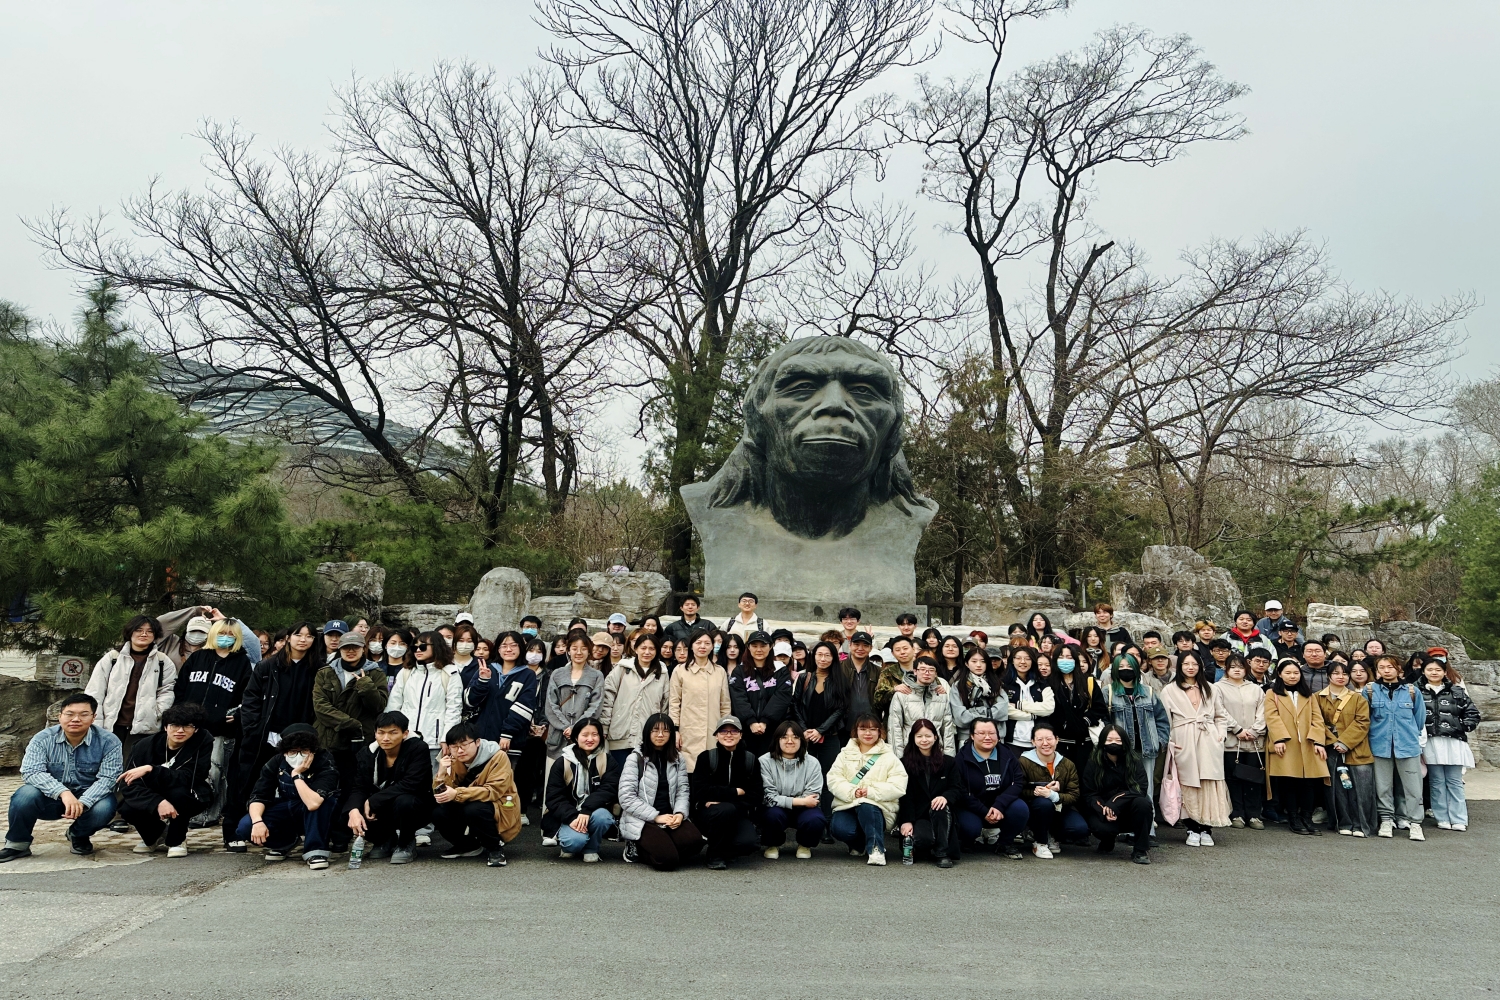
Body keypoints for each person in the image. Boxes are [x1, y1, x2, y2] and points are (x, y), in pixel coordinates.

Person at [230, 621, 321, 850]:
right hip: (265, 736)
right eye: (298, 635)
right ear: (288, 638)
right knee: (251, 782)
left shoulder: (319, 668)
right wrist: (253, 728)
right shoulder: (268, 666)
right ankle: (239, 831)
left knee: (300, 784)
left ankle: (296, 833)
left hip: (301, 739)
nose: (303, 639)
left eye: (309, 636)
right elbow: (250, 699)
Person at [1, 692, 123, 861]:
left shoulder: (109, 741)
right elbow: (31, 771)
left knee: (105, 806)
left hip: (87, 799)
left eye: (83, 714)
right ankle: (17, 844)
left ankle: (78, 835)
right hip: (50, 799)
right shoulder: (42, 739)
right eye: (69, 714)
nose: (76, 719)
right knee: (25, 795)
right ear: (60, 716)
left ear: (93, 717)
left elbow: (108, 778)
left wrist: (83, 802)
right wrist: (63, 793)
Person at [173, 617, 254, 837]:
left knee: (215, 770)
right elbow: (180, 688)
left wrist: (237, 715)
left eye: (230, 635)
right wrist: (178, 715)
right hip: (189, 726)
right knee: (186, 769)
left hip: (220, 730)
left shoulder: (241, 663)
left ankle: (208, 814)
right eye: (221, 633)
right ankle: (186, 809)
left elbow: (248, 695)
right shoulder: (198, 657)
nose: (225, 638)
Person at [313, 630, 390, 851]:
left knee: (351, 789)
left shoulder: (375, 673)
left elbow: (379, 706)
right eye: (346, 647)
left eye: (355, 647)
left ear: (362, 649)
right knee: (326, 788)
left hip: (359, 743)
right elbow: (320, 707)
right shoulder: (325, 673)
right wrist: (351, 723)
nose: (350, 651)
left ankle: (342, 835)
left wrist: (366, 686)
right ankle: (323, 834)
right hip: (328, 740)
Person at [236, 722, 339, 869]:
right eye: (293, 751)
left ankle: (315, 850)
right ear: (285, 752)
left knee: (324, 803)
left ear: (313, 750)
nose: (298, 756)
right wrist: (257, 822)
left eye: (303, 750)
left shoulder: (324, 761)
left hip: (317, 811)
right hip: (289, 807)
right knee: (246, 825)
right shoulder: (276, 762)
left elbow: (313, 803)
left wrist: (296, 775)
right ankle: (284, 843)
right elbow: (259, 795)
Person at [117, 702, 214, 857]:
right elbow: (128, 784)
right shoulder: (143, 747)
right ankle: (156, 835)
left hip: (189, 792)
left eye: (187, 726)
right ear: (165, 727)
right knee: (127, 808)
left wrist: (152, 769)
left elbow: (191, 777)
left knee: (179, 795)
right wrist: (157, 802)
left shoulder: (201, 742)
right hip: (153, 791)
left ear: (195, 729)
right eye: (174, 725)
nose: (180, 731)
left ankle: (177, 839)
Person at [86, 615, 178, 775]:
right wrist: (96, 720)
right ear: (130, 632)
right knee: (104, 765)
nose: (144, 634)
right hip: (112, 723)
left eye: (149, 631)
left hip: (144, 726)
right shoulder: (113, 658)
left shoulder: (163, 661)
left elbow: (167, 690)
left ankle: (126, 792)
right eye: (139, 630)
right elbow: (95, 691)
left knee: (134, 768)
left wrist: (156, 712)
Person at [1159, 652, 1233, 846]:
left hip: (1208, 739)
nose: (1190, 667)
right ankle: (1191, 827)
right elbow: (1164, 719)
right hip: (1183, 739)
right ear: (1179, 667)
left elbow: (1221, 716)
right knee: (1187, 783)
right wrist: (1170, 741)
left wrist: (1220, 736)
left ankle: (1206, 828)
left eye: (1194, 664)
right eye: (1186, 664)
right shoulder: (1169, 690)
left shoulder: (1211, 689)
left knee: (1209, 782)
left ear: (1200, 666)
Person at [346, 711, 435, 865]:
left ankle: (406, 843)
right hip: (383, 805)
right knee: (349, 810)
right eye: (381, 732)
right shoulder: (367, 753)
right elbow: (359, 787)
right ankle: (384, 840)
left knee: (404, 801)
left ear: (405, 733)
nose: (386, 738)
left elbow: (412, 783)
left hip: (417, 804)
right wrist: (353, 810)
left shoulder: (418, 748)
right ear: (375, 733)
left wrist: (374, 800)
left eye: (393, 733)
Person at [618, 713, 703, 869]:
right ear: (647, 733)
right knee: (666, 860)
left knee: (695, 843)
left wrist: (680, 814)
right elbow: (626, 797)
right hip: (643, 818)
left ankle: (664, 844)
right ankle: (635, 846)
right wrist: (656, 817)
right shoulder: (635, 758)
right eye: (655, 730)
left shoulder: (678, 758)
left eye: (666, 731)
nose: (660, 735)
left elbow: (683, 791)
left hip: (670, 816)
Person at [432, 722, 522, 867]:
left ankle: (495, 849)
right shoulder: (452, 760)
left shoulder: (498, 756)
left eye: (464, 745)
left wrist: (457, 793)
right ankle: (467, 845)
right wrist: (441, 773)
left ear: (477, 742)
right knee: (438, 811)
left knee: (474, 809)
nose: (459, 750)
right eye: (454, 747)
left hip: (500, 805)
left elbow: (493, 791)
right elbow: (443, 793)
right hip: (468, 799)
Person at [827, 714, 907, 865]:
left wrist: (870, 792)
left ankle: (876, 849)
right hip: (847, 804)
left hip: (878, 808)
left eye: (872, 729)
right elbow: (833, 779)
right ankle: (859, 845)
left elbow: (898, 785)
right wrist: (852, 792)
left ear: (879, 731)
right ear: (856, 731)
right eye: (863, 729)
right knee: (840, 829)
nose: (868, 733)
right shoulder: (844, 754)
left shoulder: (889, 757)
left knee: (867, 806)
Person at [1264, 659, 1330, 836]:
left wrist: (1318, 741)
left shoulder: (1308, 695)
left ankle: (1306, 817)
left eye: (1296, 673)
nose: (1292, 676)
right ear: (1279, 674)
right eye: (1288, 673)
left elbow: (1317, 719)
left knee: (1309, 782)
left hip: (1308, 743)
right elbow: (1272, 717)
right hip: (1287, 744)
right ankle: (1293, 817)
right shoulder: (1272, 693)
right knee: (1289, 782)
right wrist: (1279, 738)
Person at [1365, 654, 1426, 840]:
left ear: (1399, 669)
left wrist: (1409, 734)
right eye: (1382, 667)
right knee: (1383, 786)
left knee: (1413, 787)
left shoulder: (1412, 691)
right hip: (1379, 745)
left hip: (1407, 745)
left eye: (1390, 667)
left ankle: (1415, 822)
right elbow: (1365, 718)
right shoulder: (1370, 691)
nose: (1386, 670)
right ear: (1377, 671)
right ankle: (1386, 819)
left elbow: (1419, 719)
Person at [689, 716, 763, 870]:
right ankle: (714, 854)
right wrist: (735, 792)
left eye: (734, 731)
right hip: (708, 814)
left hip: (738, 813)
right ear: (716, 735)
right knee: (724, 810)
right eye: (723, 731)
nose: (728, 735)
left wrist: (725, 800)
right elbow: (699, 791)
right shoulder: (706, 758)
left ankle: (726, 849)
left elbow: (756, 795)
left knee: (749, 843)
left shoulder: (750, 760)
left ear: (741, 735)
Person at [542, 718, 619, 863]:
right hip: (568, 816)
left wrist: (586, 810)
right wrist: (572, 818)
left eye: (595, 734)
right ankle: (571, 842)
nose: (590, 739)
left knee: (603, 817)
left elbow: (609, 790)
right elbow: (554, 797)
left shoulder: (607, 761)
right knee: (574, 842)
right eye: (585, 735)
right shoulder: (562, 762)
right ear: (576, 737)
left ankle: (591, 848)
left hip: (594, 812)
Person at [1316, 661, 1377, 837]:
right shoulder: (1317, 698)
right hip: (1331, 749)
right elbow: (1316, 722)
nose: (1341, 677)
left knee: (1361, 788)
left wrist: (1344, 742)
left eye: (1344, 673)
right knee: (1337, 789)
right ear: (1328, 676)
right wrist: (1332, 741)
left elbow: (1362, 722)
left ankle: (1361, 824)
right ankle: (1343, 822)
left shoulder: (1358, 698)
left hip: (1357, 749)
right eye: (1336, 673)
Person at [387, 631, 463, 769]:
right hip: (405, 739)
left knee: (434, 779)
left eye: (422, 646)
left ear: (436, 647)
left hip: (434, 742)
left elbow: (454, 709)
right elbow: (393, 705)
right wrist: (391, 733)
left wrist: (447, 738)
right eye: (414, 647)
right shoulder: (406, 672)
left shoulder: (450, 673)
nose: (417, 650)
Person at [1419, 658, 1479, 832]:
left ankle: (1459, 818)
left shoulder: (1457, 691)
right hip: (1430, 742)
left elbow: (1472, 713)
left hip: (1453, 742)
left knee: (1454, 781)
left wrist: (1463, 726)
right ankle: (1442, 817)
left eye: (1438, 669)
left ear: (1445, 672)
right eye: (1430, 669)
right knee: (1436, 781)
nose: (1434, 672)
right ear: (1423, 672)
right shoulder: (1417, 692)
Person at [954, 717, 1028, 858]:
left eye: (992, 733)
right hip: (972, 808)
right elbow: (961, 791)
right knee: (970, 827)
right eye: (981, 733)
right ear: (972, 736)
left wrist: (999, 805)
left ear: (998, 735)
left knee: (1020, 809)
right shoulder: (961, 759)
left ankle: (1005, 843)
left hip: (1000, 807)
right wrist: (984, 811)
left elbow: (1018, 782)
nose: (987, 737)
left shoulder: (1008, 755)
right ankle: (967, 841)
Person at [896, 718, 964, 867]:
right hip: (919, 815)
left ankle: (942, 853)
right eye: (919, 736)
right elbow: (905, 795)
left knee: (940, 806)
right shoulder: (904, 763)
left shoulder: (949, 762)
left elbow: (957, 788)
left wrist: (945, 797)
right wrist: (907, 820)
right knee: (923, 839)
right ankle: (924, 845)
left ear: (935, 737)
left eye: (928, 735)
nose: (924, 740)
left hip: (942, 815)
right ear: (913, 738)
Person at [1081, 724, 1154, 864]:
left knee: (1143, 803)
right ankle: (1107, 839)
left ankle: (1140, 850)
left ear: (1125, 742)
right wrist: (1104, 809)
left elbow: (1140, 788)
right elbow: (1089, 793)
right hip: (1103, 808)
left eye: (1118, 740)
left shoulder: (1134, 760)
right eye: (1109, 740)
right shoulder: (1094, 762)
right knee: (1100, 827)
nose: (1113, 743)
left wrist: (1115, 803)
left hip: (1128, 808)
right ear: (1102, 742)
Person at [1106, 654, 1172, 807]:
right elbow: (1104, 721)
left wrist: (1159, 742)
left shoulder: (1148, 692)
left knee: (1146, 788)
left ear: (1136, 669)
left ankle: (1148, 820)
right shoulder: (1108, 692)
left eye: (1129, 666)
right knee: (1122, 788)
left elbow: (1162, 720)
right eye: (1121, 667)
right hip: (1120, 750)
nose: (1125, 670)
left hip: (1147, 749)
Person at [600, 631, 671, 766]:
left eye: (651, 649)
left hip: (648, 737)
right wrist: (604, 727)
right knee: (620, 774)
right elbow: (607, 698)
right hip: (620, 733)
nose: (647, 652)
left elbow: (665, 705)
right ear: (636, 648)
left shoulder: (662, 673)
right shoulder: (622, 668)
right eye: (643, 648)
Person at [758, 721, 827, 859]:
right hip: (776, 807)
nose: (790, 741)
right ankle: (773, 844)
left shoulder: (812, 762)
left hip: (804, 809)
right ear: (777, 740)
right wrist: (800, 801)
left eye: (795, 737)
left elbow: (813, 796)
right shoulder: (764, 761)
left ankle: (805, 844)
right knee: (771, 816)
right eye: (784, 737)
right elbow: (768, 796)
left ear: (802, 740)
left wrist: (801, 803)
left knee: (815, 819)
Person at [1019, 721, 1089, 856]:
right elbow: (1019, 790)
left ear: (1057, 740)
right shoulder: (1024, 761)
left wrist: (1053, 795)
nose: (1045, 743)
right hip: (1035, 808)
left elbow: (1074, 795)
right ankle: (1040, 842)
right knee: (1043, 804)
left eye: (1049, 739)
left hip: (1060, 808)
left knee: (1080, 828)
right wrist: (1038, 792)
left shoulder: (1067, 764)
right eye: (1040, 739)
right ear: (1033, 742)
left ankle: (1053, 836)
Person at [1214, 656, 1267, 829]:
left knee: (1254, 778)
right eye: (1232, 667)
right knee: (1233, 778)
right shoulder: (1217, 688)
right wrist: (1237, 729)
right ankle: (1236, 813)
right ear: (1226, 669)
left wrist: (1254, 731)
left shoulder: (1256, 689)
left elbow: (1263, 712)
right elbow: (1219, 711)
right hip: (1231, 741)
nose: (1237, 670)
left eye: (1240, 667)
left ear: (1246, 669)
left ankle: (1254, 815)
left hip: (1254, 743)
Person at [792, 641, 848, 798]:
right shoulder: (804, 678)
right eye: (819, 654)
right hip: (805, 737)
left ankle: (826, 811)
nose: (823, 659)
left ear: (834, 658)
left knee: (828, 777)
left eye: (827, 655)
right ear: (813, 656)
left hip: (830, 737)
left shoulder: (840, 680)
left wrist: (820, 730)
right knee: (803, 776)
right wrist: (804, 730)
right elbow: (795, 705)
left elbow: (841, 709)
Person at [669, 630, 732, 771]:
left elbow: (725, 705)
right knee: (689, 772)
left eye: (707, 643)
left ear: (712, 647)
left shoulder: (719, 671)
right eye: (698, 643)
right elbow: (674, 703)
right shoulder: (680, 670)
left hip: (713, 731)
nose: (702, 646)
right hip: (687, 732)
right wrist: (675, 730)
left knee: (712, 770)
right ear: (691, 646)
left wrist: (725, 730)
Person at [730, 631, 795, 758]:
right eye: (754, 646)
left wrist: (765, 721)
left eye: (763, 646)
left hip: (773, 729)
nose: (759, 650)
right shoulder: (739, 671)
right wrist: (751, 721)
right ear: (748, 647)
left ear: (771, 647)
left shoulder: (780, 670)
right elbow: (738, 697)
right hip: (746, 729)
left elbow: (782, 697)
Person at [1050, 645, 1106, 769]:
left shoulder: (1088, 681)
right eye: (1061, 657)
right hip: (1059, 743)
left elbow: (1100, 708)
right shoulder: (1049, 682)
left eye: (1069, 657)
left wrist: (1085, 721)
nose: (1065, 660)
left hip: (1084, 743)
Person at [888, 655, 955, 755]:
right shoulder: (901, 695)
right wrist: (898, 757)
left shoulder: (941, 695)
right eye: (922, 669)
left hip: (936, 751)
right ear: (915, 671)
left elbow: (947, 728)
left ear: (936, 673)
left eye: (931, 670)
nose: (927, 673)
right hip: (909, 751)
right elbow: (895, 728)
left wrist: (949, 757)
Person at [950, 646, 1007, 749]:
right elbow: (960, 718)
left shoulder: (995, 683)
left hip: (995, 735)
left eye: (983, 661)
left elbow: (1002, 711)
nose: (979, 665)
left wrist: (973, 711)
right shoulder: (959, 686)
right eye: (974, 661)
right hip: (967, 736)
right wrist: (988, 712)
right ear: (966, 664)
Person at [1004, 646, 1053, 753]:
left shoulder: (1042, 683)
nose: (1023, 662)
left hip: (1039, 742)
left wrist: (1019, 705)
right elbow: (1006, 710)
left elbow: (1049, 708)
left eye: (1027, 658)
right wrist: (1033, 715)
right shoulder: (1004, 683)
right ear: (1012, 661)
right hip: (1012, 741)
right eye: (1018, 658)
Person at [841, 631, 880, 721]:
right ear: (850, 645)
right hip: (843, 722)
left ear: (871, 648)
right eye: (856, 644)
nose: (860, 648)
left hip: (870, 723)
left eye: (865, 645)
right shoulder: (838, 668)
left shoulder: (878, 671)